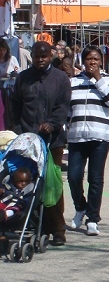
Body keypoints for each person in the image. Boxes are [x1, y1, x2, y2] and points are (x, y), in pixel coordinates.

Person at [11, 41, 71, 246]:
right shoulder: (23, 78)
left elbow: (63, 108)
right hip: (27, 142)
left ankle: (57, 229)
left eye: (44, 56)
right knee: (26, 183)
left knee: (51, 185)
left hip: (52, 142)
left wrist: (52, 125)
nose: (40, 60)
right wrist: (18, 133)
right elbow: (15, 107)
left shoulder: (61, 79)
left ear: (51, 55)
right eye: (37, 56)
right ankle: (33, 224)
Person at [67, 46, 109, 237]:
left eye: (96, 59)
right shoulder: (73, 82)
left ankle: (92, 219)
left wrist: (98, 79)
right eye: (89, 59)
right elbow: (68, 109)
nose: (92, 62)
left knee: (95, 179)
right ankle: (80, 207)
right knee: (73, 176)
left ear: (101, 61)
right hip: (77, 137)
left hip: (100, 137)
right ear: (83, 61)